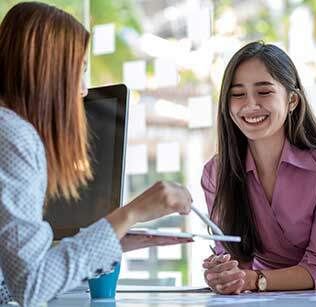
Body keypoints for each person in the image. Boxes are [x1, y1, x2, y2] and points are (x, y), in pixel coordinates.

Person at [0, 2, 192, 306]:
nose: (84, 90)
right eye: (80, 72)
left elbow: (6, 284)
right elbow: (31, 288)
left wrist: (107, 240)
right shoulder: (13, 136)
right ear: (49, 73)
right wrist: (129, 215)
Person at [200, 41, 316, 294]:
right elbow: (232, 256)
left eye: (264, 92)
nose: (250, 105)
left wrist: (252, 280)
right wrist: (224, 274)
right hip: (262, 296)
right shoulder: (216, 173)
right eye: (237, 94)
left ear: (292, 100)